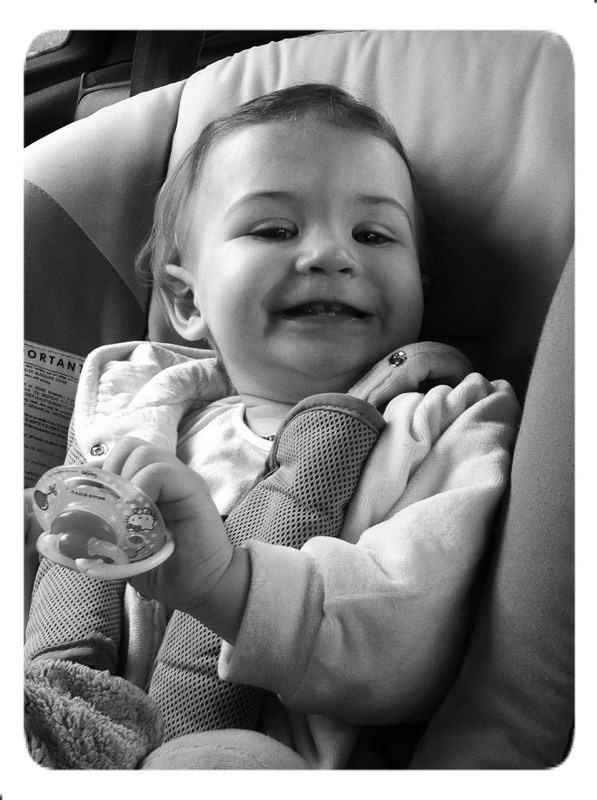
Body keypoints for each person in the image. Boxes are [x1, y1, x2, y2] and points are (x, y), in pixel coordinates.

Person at [24, 83, 520, 770]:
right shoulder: (135, 415)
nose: (330, 254)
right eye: (275, 230)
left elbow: (411, 640)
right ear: (186, 300)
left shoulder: (443, 427)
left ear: (421, 286)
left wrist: (229, 585)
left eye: (373, 235)